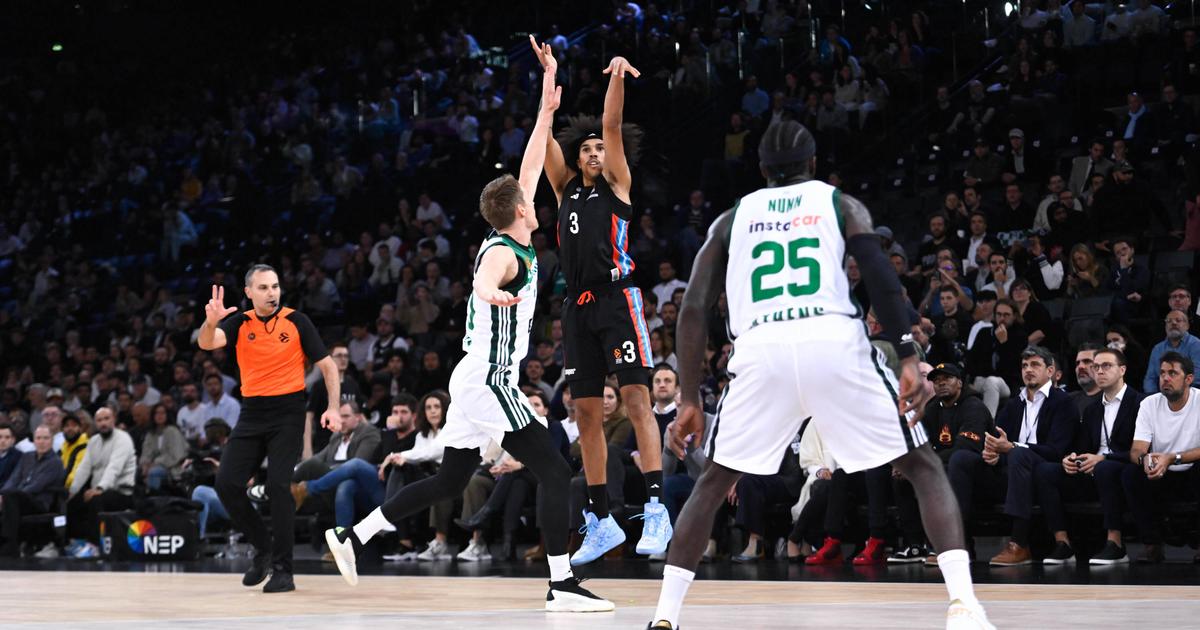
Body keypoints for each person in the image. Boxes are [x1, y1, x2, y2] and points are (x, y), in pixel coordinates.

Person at [647, 120, 992, 630]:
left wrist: (693, 394)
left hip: (760, 346)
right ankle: (963, 605)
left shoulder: (731, 218)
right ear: (813, 165)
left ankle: (664, 618)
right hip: (831, 341)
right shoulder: (839, 203)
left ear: (762, 171)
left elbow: (694, 307)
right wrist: (907, 356)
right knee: (921, 465)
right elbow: (878, 274)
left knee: (715, 481)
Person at [325, 40, 612, 612]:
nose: (536, 198)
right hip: (488, 380)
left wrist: (547, 106)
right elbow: (484, 278)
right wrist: (490, 293)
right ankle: (561, 586)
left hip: (472, 376)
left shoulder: (516, 226)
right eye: (529, 200)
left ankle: (349, 536)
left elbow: (531, 160)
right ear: (521, 213)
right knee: (556, 471)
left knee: (451, 481)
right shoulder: (502, 254)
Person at [541, 48, 671, 565]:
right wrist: (547, 92)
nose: (595, 153)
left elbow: (614, 124)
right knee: (586, 413)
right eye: (588, 148)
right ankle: (601, 521)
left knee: (638, 400)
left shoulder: (618, 186)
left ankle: (657, 509)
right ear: (577, 158)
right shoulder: (564, 188)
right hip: (576, 307)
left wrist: (616, 73)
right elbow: (543, 139)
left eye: (600, 149)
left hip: (618, 298)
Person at [199, 265, 342, 593]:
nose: (272, 293)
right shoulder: (240, 322)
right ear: (249, 292)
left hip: (288, 412)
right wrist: (211, 320)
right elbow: (208, 343)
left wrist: (332, 407)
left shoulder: (297, 321)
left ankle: (283, 570)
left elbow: (327, 365)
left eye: (275, 286)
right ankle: (262, 548)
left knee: (279, 486)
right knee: (226, 484)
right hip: (252, 413)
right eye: (263, 288)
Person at [1034, 347, 1143, 565]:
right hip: (1092, 470)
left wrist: (1104, 459)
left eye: (1106, 366)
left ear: (1122, 370)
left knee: (1105, 469)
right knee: (1046, 470)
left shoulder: (1140, 402)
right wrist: (1071, 457)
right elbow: (1082, 445)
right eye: (1096, 367)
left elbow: (1139, 451)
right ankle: (1062, 543)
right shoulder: (1093, 409)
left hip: (1122, 470)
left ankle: (1116, 544)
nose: (1099, 371)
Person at [1123, 352, 1200, 563]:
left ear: (1188, 379)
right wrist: (1145, 460)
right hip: (1161, 473)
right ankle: (1152, 545)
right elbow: (1137, 450)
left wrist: (1172, 458)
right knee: (1131, 473)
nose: (1165, 378)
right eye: (1163, 373)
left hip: (1192, 471)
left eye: (1173, 373)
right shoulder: (1149, 404)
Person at [65, 407, 136, 559]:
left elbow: (114, 468)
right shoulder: (93, 442)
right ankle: (76, 541)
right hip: (98, 490)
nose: (103, 423)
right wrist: (72, 491)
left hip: (122, 492)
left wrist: (100, 488)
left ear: (113, 420)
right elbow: (84, 469)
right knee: (71, 504)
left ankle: (95, 545)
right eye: (99, 420)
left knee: (96, 501)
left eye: (106, 419)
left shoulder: (123, 439)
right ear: (95, 423)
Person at [0, 426, 64, 557]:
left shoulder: (55, 462)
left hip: (39, 504)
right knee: (8, 496)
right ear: (34, 441)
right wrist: (2, 495)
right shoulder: (26, 457)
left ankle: (10, 545)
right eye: (38, 438)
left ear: (52, 441)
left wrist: (9, 496)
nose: (41, 442)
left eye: (45, 438)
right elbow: (13, 479)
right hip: (18, 499)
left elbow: (36, 486)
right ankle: (7, 543)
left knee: (11, 497)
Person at [1143, 311, 1200, 394]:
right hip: (1163, 395)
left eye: (1178, 320)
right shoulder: (1157, 349)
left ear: (1187, 326)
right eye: (1169, 321)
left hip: (1189, 393)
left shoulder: (1196, 345)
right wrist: (1153, 397)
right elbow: (1150, 378)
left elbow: (1197, 376)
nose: (1173, 323)